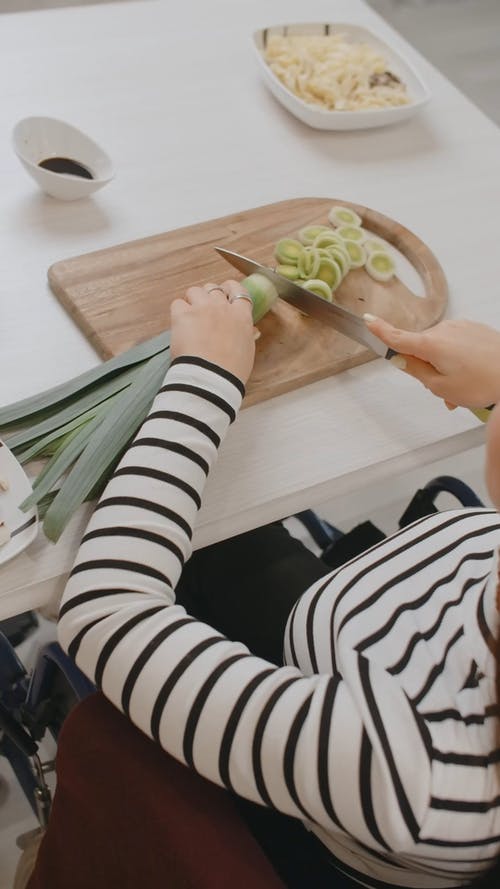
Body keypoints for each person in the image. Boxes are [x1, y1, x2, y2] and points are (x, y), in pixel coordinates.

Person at [55, 280, 500, 889]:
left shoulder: (417, 772)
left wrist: (205, 378)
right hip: (348, 630)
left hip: (309, 769)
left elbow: (106, 613)